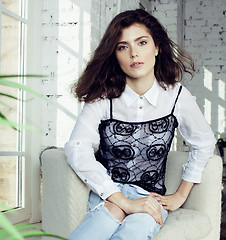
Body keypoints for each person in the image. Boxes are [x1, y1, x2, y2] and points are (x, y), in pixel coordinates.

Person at [64, 9, 216, 240]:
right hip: (109, 193)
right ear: (115, 55)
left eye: (142, 42)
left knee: (136, 230)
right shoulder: (103, 98)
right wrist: (123, 201)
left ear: (157, 47)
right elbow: (76, 148)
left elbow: (204, 143)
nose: (134, 53)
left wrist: (181, 195)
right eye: (123, 47)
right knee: (106, 218)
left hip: (151, 196)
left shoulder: (176, 96)